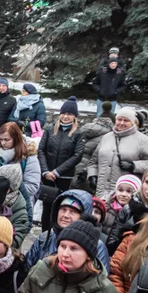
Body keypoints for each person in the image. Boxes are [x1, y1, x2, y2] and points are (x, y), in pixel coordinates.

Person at [88, 107, 148, 199]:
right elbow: (94, 161)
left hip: (126, 194)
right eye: (119, 119)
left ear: (133, 122)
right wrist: (92, 175)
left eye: (126, 120)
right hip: (101, 191)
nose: (122, 123)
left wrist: (134, 166)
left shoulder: (143, 140)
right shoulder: (106, 137)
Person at [26, 190, 111, 271]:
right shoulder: (44, 238)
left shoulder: (97, 247)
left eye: (73, 211)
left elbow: (99, 281)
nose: (66, 215)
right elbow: (26, 270)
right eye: (63, 210)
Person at [38, 98, 85, 229]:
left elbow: (77, 156)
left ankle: (57, 232)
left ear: (74, 116)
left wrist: (58, 171)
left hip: (64, 177)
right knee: (47, 207)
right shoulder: (49, 129)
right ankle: (45, 233)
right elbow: (41, 150)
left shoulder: (78, 133)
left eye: (69, 114)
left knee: (61, 206)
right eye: (63, 113)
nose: (65, 116)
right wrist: (46, 171)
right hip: (48, 176)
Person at [0, 121, 42, 204]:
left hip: (19, 205)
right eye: (1, 139)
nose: (3, 143)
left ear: (16, 138)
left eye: (7, 140)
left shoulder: (28, 158)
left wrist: (7, 190)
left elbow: (32, 186)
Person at [94, 49, 127, 117]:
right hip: (101, 97)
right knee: (99, 114)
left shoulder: (119, 74)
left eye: (115, 63)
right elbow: (95, 83)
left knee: (111, 116)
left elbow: (123, 85)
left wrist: (116, 91)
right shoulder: (102, 72)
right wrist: (99, 90)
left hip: (112, 98)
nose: (113, 65)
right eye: (112, 63)